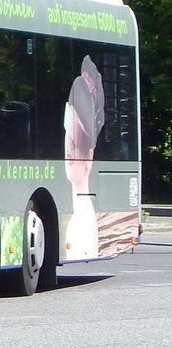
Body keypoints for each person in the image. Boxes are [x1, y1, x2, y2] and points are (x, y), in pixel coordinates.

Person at [65, 55, 105, 258]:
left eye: (76, 145)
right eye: (69, 139)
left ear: (89, 156)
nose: (69, 153)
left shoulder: (81, 223)